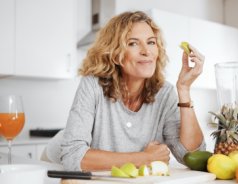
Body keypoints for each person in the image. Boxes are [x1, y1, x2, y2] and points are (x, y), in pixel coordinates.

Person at [46, 11, 205, 171]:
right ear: (115, 54)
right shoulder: (92, 85)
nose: (146, 51)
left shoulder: (165, 93)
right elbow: (72, 156)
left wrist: (184, 89)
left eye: (151, 42)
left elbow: (192, 156)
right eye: (133, 43)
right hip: (54, 162)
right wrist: (145, 158)